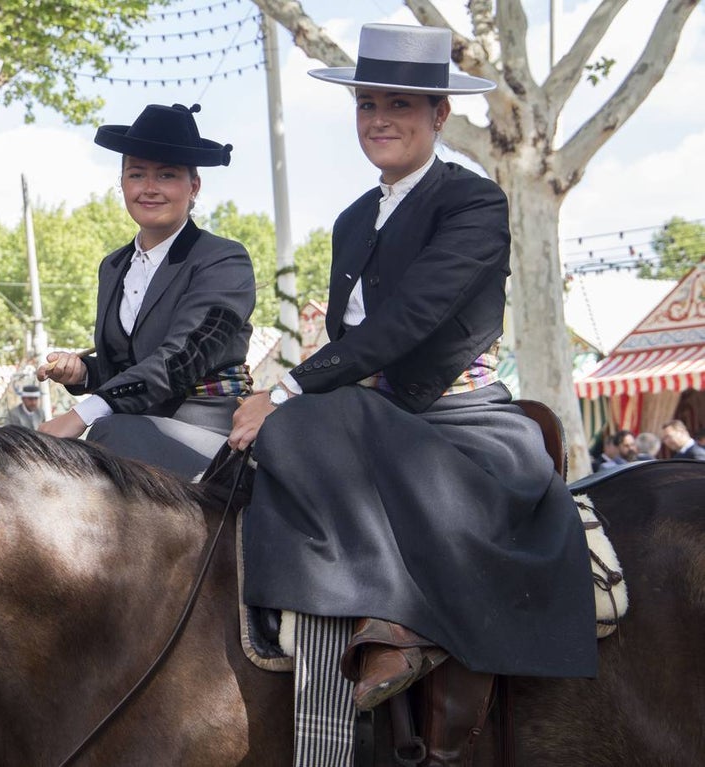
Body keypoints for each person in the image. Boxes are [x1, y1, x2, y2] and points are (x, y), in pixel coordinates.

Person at [228, 24, 596, 766]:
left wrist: (290, 387)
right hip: (366, 416)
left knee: (299, 429)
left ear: (438, 116)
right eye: (367, 105)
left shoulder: (475, 203)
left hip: (458, 420)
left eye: (400, 104)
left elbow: (410, 320)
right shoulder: (353, 219)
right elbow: (347, 334)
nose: (380, 120)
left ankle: (407, 626)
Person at [36, 103, 255, 478]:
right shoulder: (113, 266)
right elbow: (129, 366)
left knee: (107, 434)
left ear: (194, 186)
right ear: (122, 183)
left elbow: (180, 361)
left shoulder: (223, 259)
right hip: (132, 427)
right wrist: (84, 374)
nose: (149, 188)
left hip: (210, 429)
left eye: (166, 175)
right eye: (137, 175)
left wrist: (80, 415)